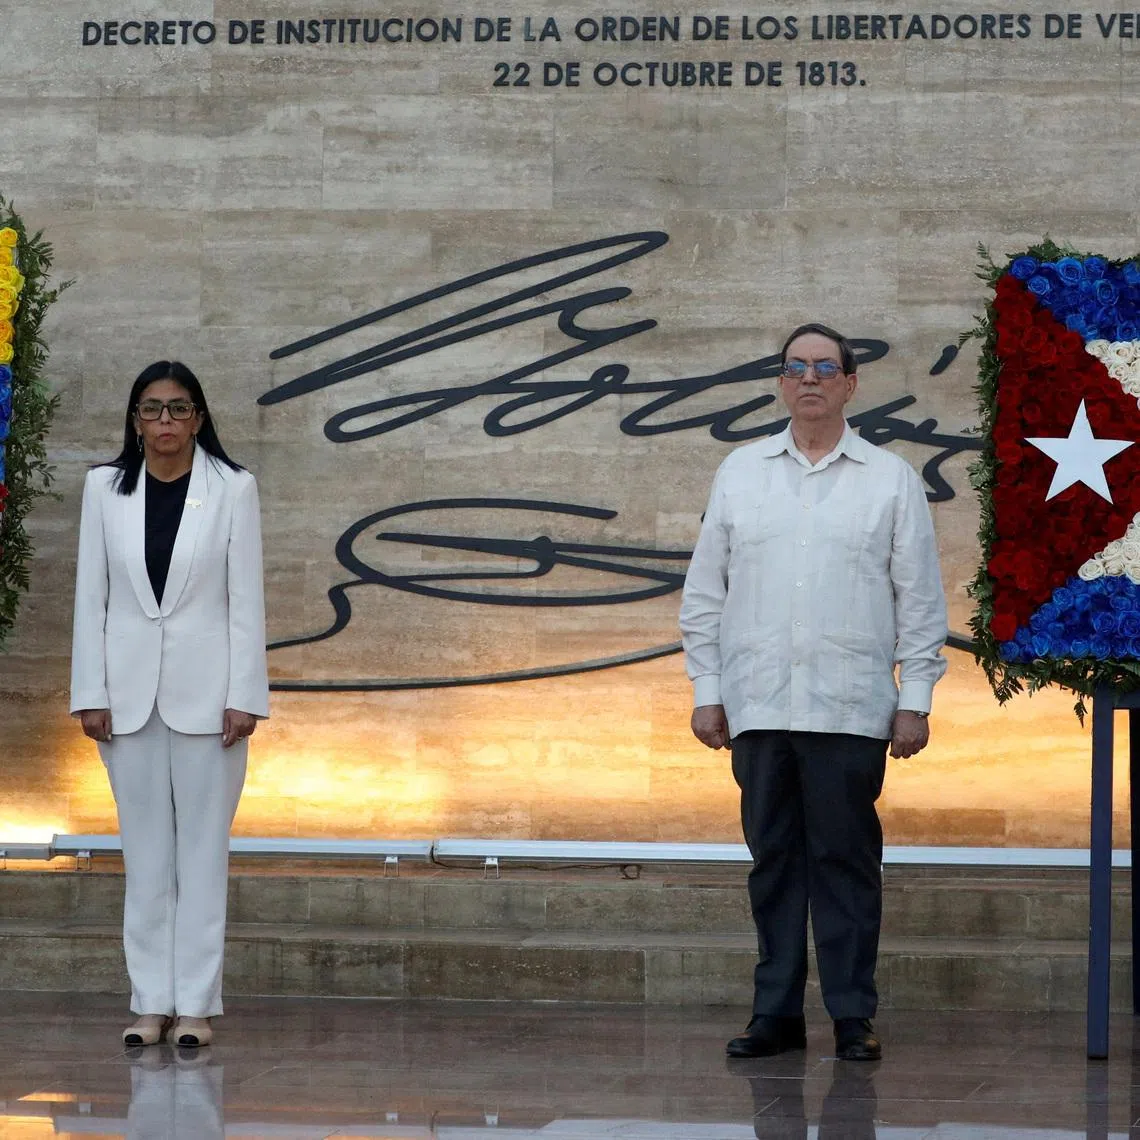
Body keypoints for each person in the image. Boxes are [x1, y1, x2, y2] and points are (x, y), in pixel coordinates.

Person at [679, 323, 947, 1062]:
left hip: (851, 707)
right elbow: (705, 594)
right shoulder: (740, 472)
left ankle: (852, 1014)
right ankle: (776, 1015)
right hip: (759, 704)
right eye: (795, 367)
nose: (809, 379)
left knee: (845, 863)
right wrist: (708, 690)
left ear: (851, 383)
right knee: (773, 863)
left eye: (824, 367)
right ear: (780, 382)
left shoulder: (890, 478)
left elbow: (918, 599)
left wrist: (915, 697)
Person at [70, 360, 269, 1049]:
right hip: (125, 701)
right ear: (134, 420)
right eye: (151, 410)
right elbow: (90, 597)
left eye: (178, 409)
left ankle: (196, 1008)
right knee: (146, 858)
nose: (165, 423)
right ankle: (151, 1003)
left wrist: (245, 696)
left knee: (202, 857)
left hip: (211, 701)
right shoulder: (104, 488)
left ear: (199, 418)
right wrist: (88, 692)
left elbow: (246, 602)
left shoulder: (233, 489)